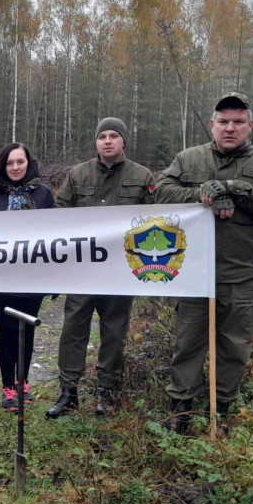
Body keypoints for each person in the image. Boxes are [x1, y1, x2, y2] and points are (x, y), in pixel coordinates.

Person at [155, 92, 253, 432]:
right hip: (194, 271)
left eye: (238, 122)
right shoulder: (188, 159)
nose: (230, 128)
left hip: (241, 272)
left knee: (234, 344)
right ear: (213, 124)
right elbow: (162, 192)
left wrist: (234, 188)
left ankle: (223, 408)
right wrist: (205, 194)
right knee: (188, 341)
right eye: (224, 122)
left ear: (250, 125)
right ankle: (181, 407)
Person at [46, 117, 155, 419]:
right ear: (96, 141)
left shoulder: (142, 176)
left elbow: (157, 218)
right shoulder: (78, 174)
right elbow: (60, 213)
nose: (107, 141)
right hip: (84, 269)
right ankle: (68, 392)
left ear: (123, 141)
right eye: (102, 136)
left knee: (114, 331)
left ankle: (107, 392)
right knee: (73, 330)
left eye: (113, 136)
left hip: (121, 269)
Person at [0, 143, 55, 410]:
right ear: (3, 166)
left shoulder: (44, 194)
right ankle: (7, 387)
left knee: (27, 329)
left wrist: (57, 277)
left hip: (34, 276)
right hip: (1, 277)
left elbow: (56, 235)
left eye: (20, 162)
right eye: (10, 163)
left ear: (29, 163)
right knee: (7, 330)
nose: (15, 167)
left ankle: (22, 382)